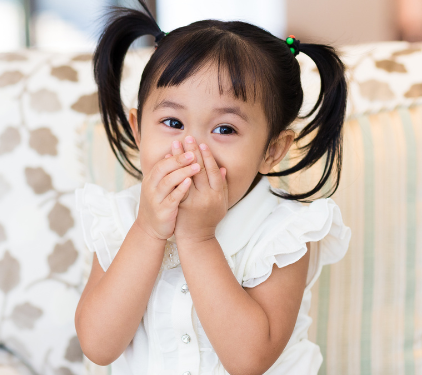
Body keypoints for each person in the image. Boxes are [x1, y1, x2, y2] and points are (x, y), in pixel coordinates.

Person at [74, 1, 352, 374]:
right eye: (172, 122)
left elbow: (249, 359)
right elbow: (98, 345)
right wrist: (147, 232)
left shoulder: (282, 234)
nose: (193, 148)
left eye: (225, 129)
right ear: (138, 131)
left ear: (272, 151)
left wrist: (198, 238)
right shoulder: (121, 219)